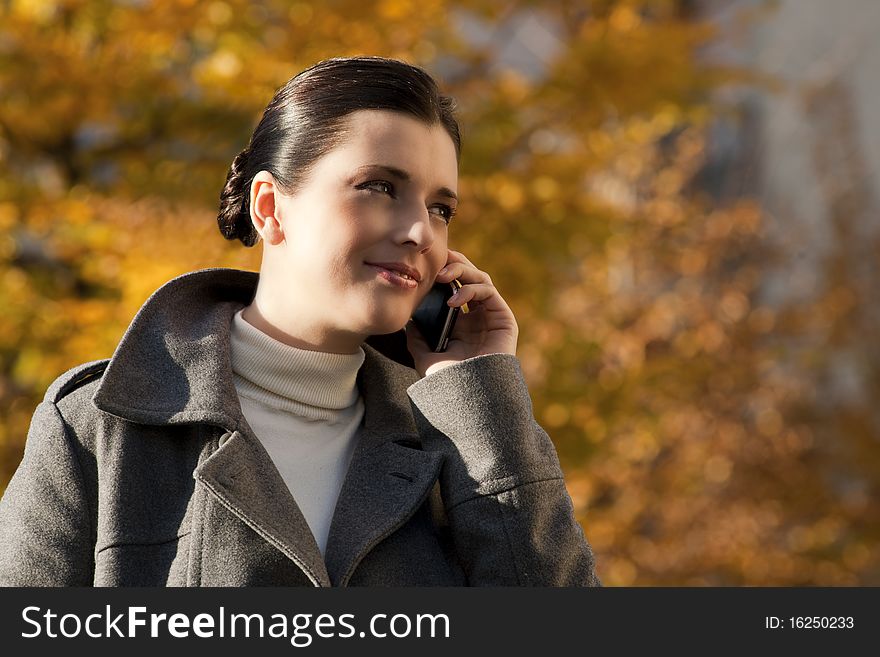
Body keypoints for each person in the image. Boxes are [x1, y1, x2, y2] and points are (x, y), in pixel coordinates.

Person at [0, 56, 601, 586]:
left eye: (440, 208)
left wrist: (477, 390)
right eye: (379, 188)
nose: (421, 232)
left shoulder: (461, 437)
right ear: (270, 209)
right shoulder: (99, 426)